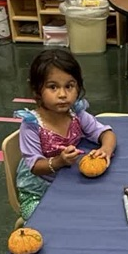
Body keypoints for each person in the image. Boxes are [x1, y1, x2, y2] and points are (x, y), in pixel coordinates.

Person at [16, 48, 117, 221]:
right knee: (47, 220)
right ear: (37, 90)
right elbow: (35, 166)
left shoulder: (76, 114)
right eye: (52, 87)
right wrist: (59, 161)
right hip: (39, 190)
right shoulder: (31, 126)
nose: (62, 95)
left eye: (69, 86)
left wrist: (105, 150)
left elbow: (106, 133)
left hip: (70, 182)